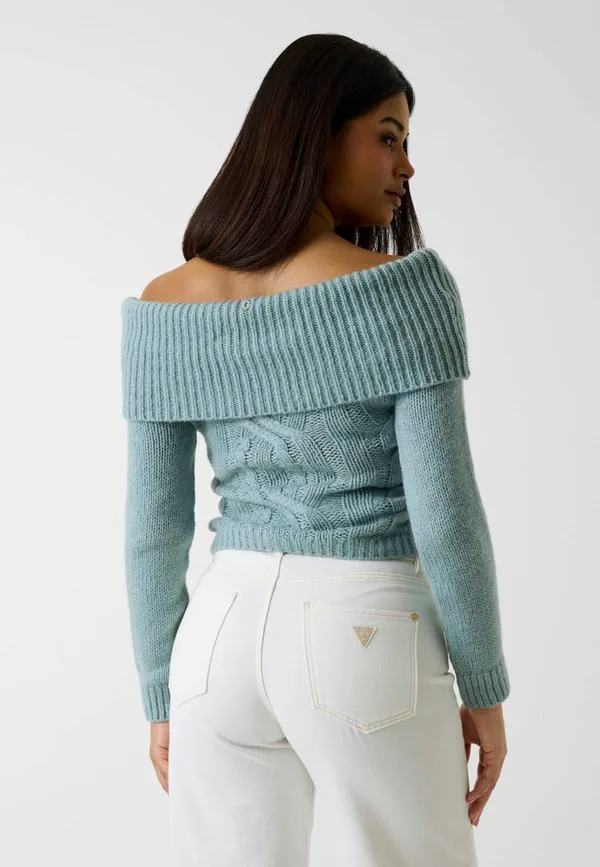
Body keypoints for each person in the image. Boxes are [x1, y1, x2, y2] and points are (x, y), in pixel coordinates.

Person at [121, 33, 510, 867]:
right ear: (317, 133)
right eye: (388, 136)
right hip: (364, 626)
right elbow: (447, 516)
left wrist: (161, 688)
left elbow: (154, 528)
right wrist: (483, 684)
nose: (406, 166)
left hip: (215, 641)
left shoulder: (165, 303)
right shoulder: (404, 290)